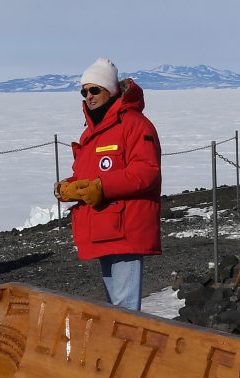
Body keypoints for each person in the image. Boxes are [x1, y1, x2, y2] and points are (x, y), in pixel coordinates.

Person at [55, 58, 162, 310]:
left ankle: (129, 348)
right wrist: (70, 187)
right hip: (105, 228)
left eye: (95, 90)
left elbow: (146, 172)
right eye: (84, 91)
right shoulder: (93, 132)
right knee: (115, 308)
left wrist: (101, 188)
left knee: (125, 311)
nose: (88, 96)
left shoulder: (135, 125)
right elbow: (88, 174)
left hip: (125, 228)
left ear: (111, 91)